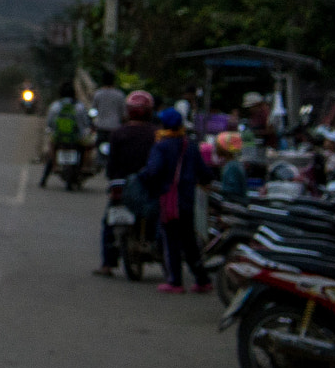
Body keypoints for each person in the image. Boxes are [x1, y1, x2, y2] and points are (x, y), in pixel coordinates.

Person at [143, 107, 210, 293]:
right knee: (189, 241)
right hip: (187, 201)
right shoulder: (189, 145)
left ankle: (175, 282)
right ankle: (202, 279)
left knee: (171, 241)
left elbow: (153, 171)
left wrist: (146, 182)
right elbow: (204, 172)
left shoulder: (161, 146)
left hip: (169, 201)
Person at [95, 89, 160, 277]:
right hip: (147, 185)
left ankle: (107, 264)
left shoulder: (118, 134)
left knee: (108, 222)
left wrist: (112, 179)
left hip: (121, 185)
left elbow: (112, 163)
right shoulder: (156, 134)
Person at [39, 83, 88, 187]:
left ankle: (46, 177)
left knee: (52, 149)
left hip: (59, 138)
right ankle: (81, 169)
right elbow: (85, 123)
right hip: (75, 139)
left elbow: (50, 124)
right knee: (84, 149)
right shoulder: (80, 107)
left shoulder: (55, 106)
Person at [214, 130, 250, 202]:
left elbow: (231, 191)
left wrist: (215, 188)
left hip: (236, 205)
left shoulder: (231, 166)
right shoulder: (233, 164)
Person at [89, 72, 125, 138]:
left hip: (101, 127)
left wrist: (92, 124)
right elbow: (124, 114)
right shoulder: (119, 95)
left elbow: (92, 111)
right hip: (115, 127)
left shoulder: (98, 94)